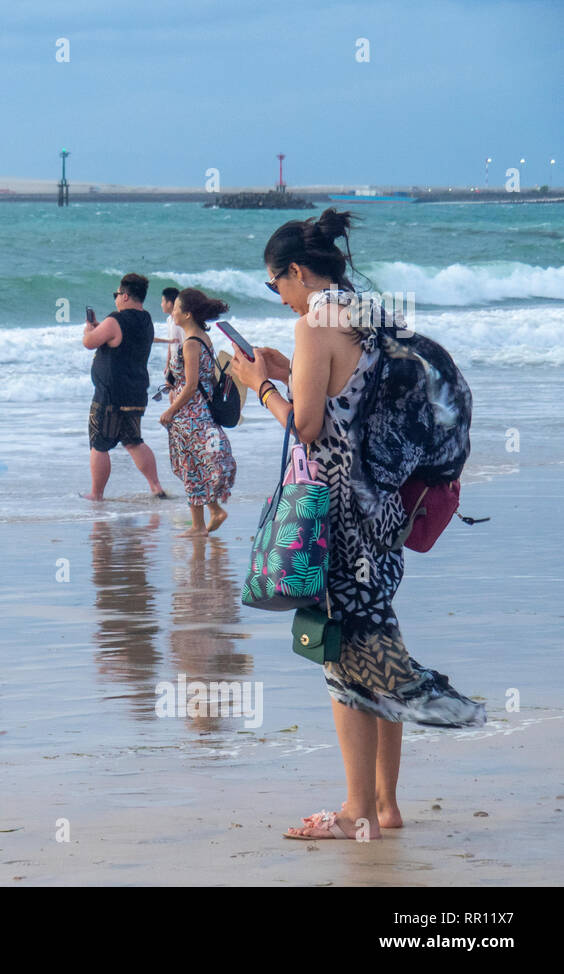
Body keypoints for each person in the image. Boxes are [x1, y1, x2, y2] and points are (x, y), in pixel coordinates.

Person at [226, 209, 485, 841]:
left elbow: (309, 428)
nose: (280, 297)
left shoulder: (316, 319)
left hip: (338, 516)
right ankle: (385, 805)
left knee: (342, 658)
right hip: (388, 512)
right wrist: (293, 370)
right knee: (374, 635)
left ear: (294, 272)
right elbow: (360, 400)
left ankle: (354, 812)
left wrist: (258, 384)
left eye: (274, 285)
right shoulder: (370, 312)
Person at [158, 287, 236, 536]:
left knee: (191, 465)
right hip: (199, 411)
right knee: (194, 465)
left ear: (188, 314)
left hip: (190, 414)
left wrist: (170, 410)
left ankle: (200, 524)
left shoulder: (191, 343)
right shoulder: (203, 337)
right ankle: (210, 514)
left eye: (177, 307)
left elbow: (191, 385)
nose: (173, 311)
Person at [82, 273, 166, 501]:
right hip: (136, 392)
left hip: (110, 394)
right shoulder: (146, 320)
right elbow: (118, 337)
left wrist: (89, 328)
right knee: (133, 441)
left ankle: (96, 493)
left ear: (126, 295)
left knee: (99, 444)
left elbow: (89, 343)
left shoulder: (114, 320)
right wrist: (103, 328)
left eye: (117, 294)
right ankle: (156, 486)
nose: (116, 298)